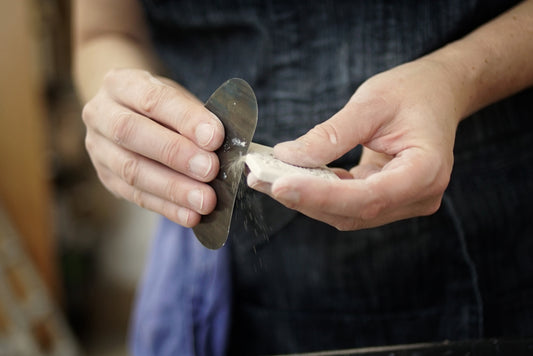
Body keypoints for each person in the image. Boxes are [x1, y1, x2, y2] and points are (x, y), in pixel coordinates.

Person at [73, 0, 533, 354]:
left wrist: (457, 77)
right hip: (244, 281)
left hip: (496, 251)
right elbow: (103, 32)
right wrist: (124, 107)